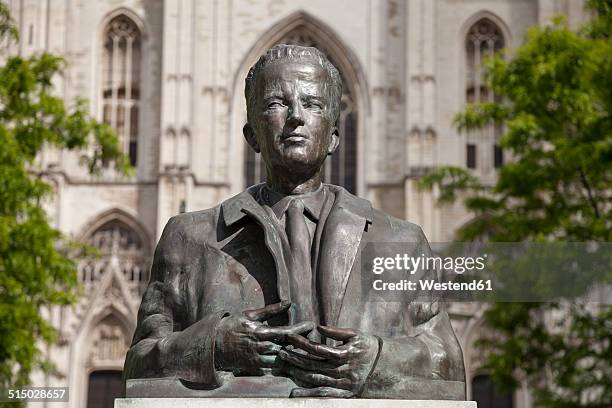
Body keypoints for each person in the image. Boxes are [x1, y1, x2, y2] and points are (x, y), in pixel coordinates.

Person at [124, 44, 465, 399]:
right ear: (252, 135)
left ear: (334, 136)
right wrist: (214, 345)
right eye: (276, 104)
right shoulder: (189, 239)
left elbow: (449, 364)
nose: (295, 116)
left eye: (312, 104)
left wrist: (376, 360)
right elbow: (140, 363)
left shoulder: (402, 242)